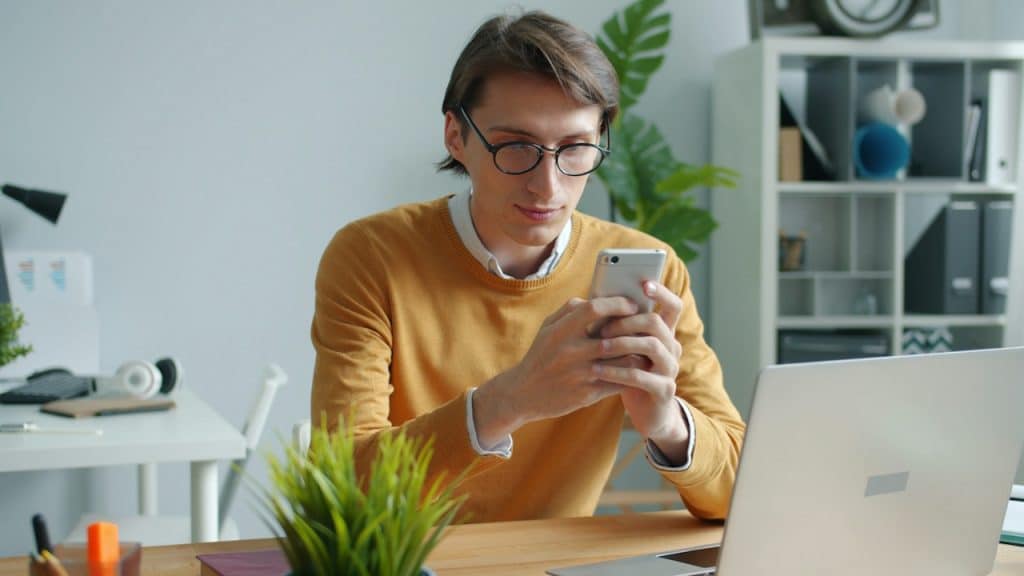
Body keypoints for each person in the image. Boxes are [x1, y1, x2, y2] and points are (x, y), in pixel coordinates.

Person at [311, 9, 745, 522]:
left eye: (576, 148)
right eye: (517, 146)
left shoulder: (656, 272)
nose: (548, 185)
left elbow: (741, 489)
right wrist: (510, 401)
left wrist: (667, 424)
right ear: (456, 136)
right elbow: (344, 487)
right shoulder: (371, 257)